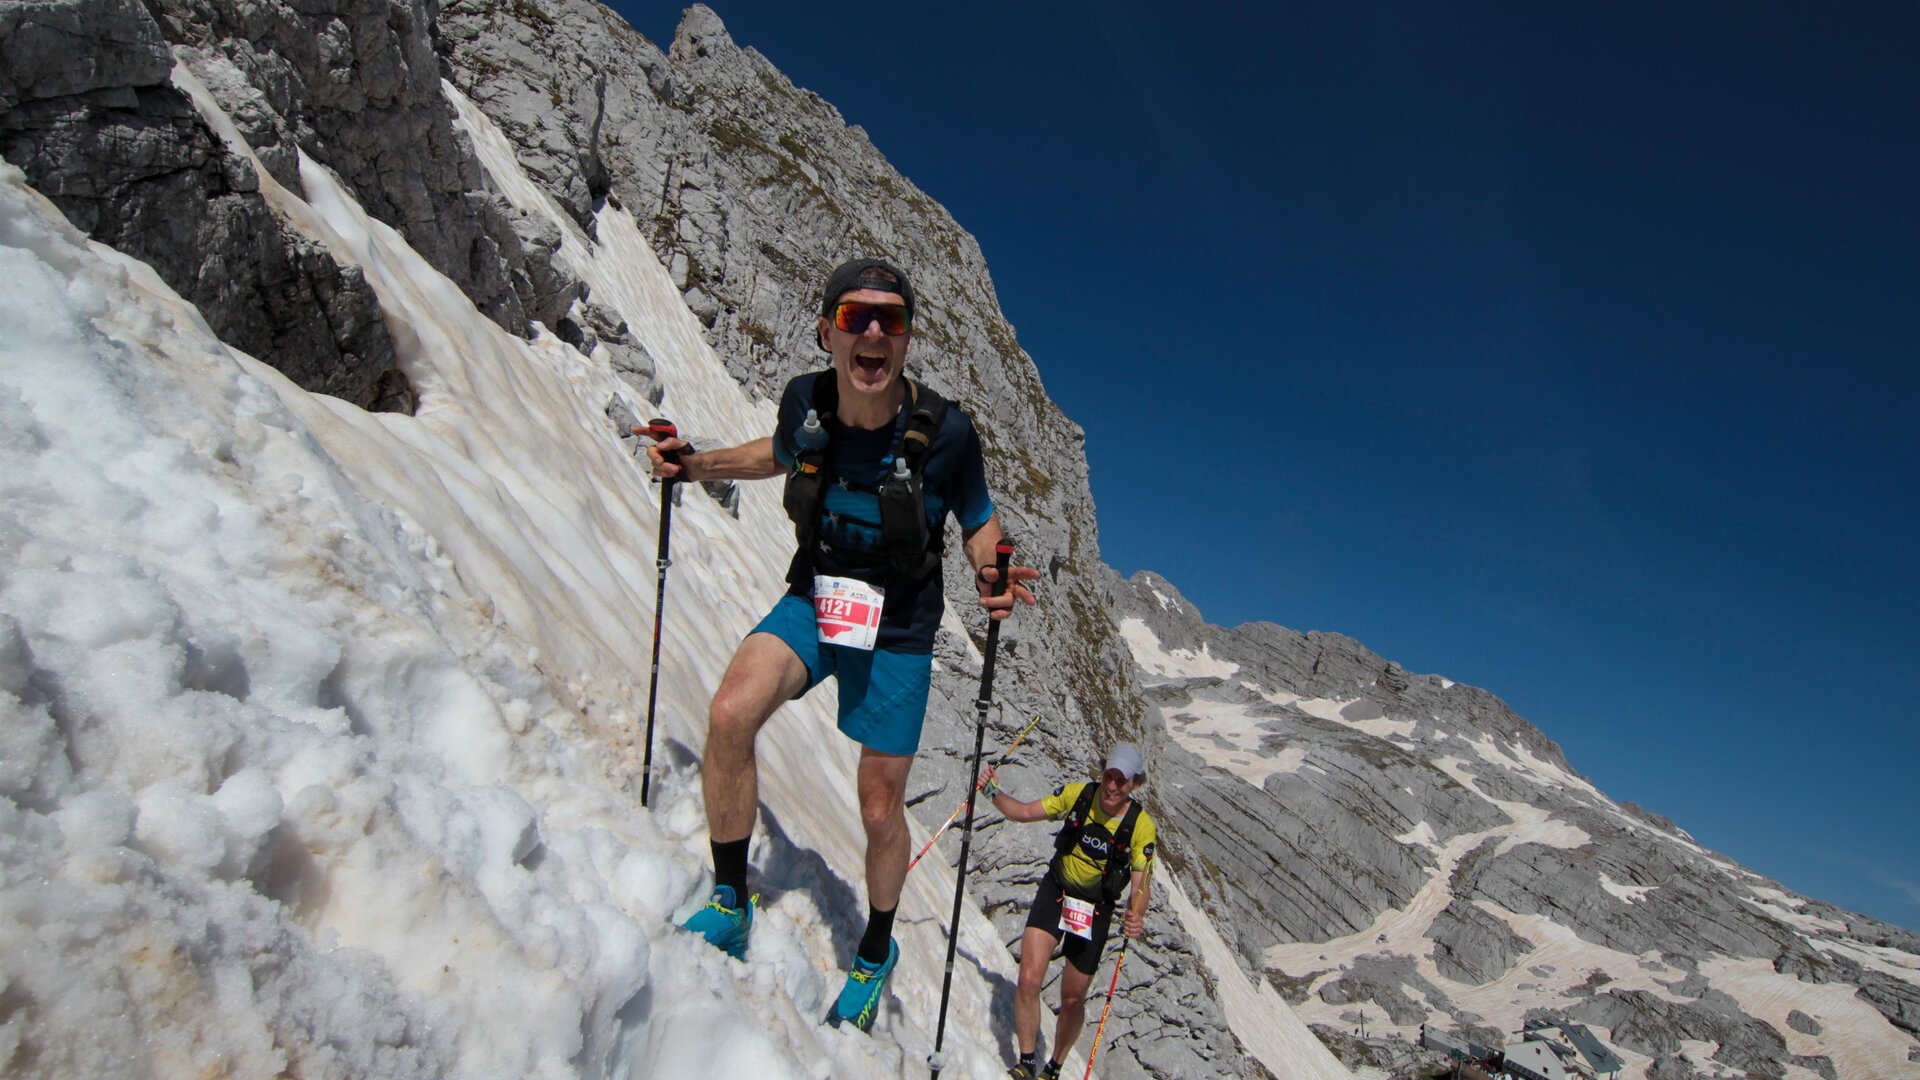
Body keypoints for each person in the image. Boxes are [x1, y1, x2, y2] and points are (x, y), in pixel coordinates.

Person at [641, 257, 1039, 1032]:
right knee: (730, 714)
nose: (872, 333)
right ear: (827, 330)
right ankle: (729, 898)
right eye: (856, 316)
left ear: (907, 342)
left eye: (890, 321)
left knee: (880, 807)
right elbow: (777, 452)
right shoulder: (807, 402)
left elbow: (978, 519)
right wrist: (694, 466)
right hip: (817, 598)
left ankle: (877, 949)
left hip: (898, 631)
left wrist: (991, 571)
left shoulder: (950, 434)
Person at [981, 744, 1157, 1080]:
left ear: (1134, 784)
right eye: (1109, 776)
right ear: (1102, 772)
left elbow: (1141, 882)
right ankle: (1027, 1062)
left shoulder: (1141, 826)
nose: (1112, 786)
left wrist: (1137, 914)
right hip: (1056, 891)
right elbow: (1023, 812)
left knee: (1073, 998)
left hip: (1096, 909)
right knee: (1029, 979)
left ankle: (1055, 1066)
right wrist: (991, 790)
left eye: (1122, 781)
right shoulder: (1079, 795)